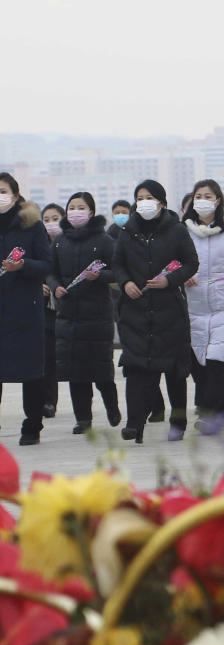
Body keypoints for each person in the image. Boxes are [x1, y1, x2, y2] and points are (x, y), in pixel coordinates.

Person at [111, 178, 199, 443]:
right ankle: (134, 423)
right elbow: (117, 263)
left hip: (168, 311)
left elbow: (190, 263)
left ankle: (178, 421)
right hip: (135, 312)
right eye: (140, 198)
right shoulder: (127, 231)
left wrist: (169, 281)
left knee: (174, 371)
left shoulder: (176, 230)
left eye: (149, 198)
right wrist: (125, 283)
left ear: (161, 202)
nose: (144, 203)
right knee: (136, 369)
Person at [47, 191, 121, 434]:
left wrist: (100, 276)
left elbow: (119, 271)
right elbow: (51, 271)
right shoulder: (60, 241)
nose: (75, 212)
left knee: (100, 370)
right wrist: (56, 286)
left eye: (80, 207)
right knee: (75, 372)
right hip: (68, 315)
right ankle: (83, 419)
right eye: (71, 208)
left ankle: (112, 407)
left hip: (97, 315)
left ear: (90, 211)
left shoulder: (104, 241)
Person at [182, 179, 224, 433]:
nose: (202, 200)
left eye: (207, 195)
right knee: (200, 366)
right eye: (198, 195)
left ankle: (210, 416)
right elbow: (175, 263)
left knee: (216, 362)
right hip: (194, 308)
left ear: (218, 200)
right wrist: (183, 275)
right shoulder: (183, 231)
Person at [0, 173, 53, 445]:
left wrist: (23, 267)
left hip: (25, 309)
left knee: (32, 371)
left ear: (16, 195)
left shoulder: (31, 226)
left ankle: (32, 425)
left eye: (3, 190)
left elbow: (47, 264)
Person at [40, 204, 65, 418]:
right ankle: (48, 401)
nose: (50, 223)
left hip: (67, 309)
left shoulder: (68, 244)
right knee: (47, 358)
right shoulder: (38, 247)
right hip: (46, 310)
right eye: (46, 220)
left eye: (54, 218)